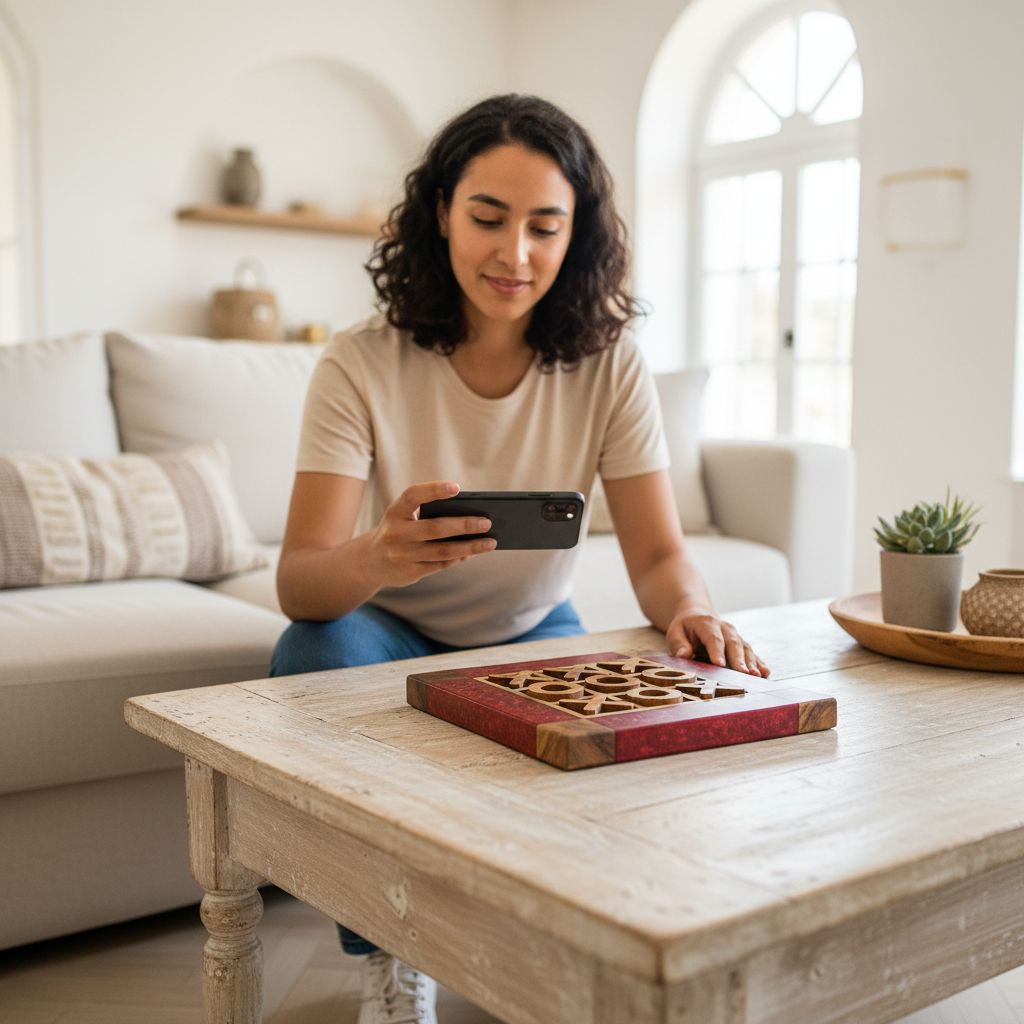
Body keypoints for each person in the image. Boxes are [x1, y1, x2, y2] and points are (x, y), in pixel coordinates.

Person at [271, 93, 769, 1024]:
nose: (515, 255)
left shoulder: (609, 362)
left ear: (576, 235)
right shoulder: (359, 363)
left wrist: (688, 608)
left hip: (534, 628)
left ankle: (549, 951)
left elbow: (659, 553)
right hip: (386, 627)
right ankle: (387, 952)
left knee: (625, 729)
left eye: (546, 226)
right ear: (440, 215)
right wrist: (380, 554)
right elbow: (301, 580)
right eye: (488, 219)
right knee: (311, 658)